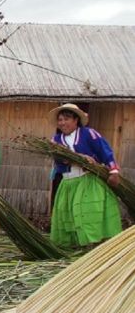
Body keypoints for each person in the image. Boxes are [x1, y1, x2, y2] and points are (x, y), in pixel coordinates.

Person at [48, 103, 122, 248]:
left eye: (66, 119)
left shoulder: (88, 134)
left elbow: (104, 151)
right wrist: (74, 158)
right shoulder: (55, 141)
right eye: (60, 120)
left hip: (87, 181)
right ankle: (75, 247)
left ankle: (94, 246)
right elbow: (58, 161)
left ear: (76, 120)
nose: (62, 123)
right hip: (68, 182)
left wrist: (113, 171)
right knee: (69, 215)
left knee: (87, 213)